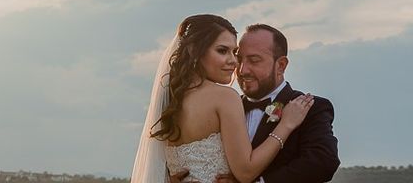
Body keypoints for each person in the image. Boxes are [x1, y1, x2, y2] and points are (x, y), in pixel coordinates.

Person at [130, 15, 315, 183]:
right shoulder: (225, 97)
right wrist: (286, 125)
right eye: (222, 51)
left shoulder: (171, 101)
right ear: (196, 51)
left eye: (233, 52)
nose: (234, 62)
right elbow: (245, 172)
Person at [172, 23, 340, 183]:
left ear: (281, 65)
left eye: (254, 60)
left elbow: (323, 162)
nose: (242, 69)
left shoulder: (309, 107)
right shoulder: (224, 108)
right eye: (239, 59)